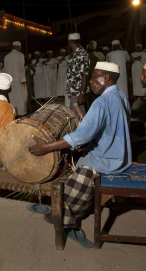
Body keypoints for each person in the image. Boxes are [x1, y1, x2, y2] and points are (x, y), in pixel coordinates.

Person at [28, 61, 132, 248]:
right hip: (120, 154)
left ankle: (68, 222)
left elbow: (82, 135)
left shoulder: (102, 101)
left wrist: (48, 147)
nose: (91, 81)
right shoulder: (121, 96)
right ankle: (59, 205)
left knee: (82, 172)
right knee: (78, 157)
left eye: (94, 76)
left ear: (106, 78)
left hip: (109, 159)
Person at [66, 33, 89, 117]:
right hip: (74, 91)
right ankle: (80, 129)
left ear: (70, 42)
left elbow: (84, 75)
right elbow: (71, 74)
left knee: (79, 114)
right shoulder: (73, 55)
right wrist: (69, 90)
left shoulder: (82, 54)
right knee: (75, 114)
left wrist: (82, 93)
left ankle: (86, 129)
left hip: (78, 91)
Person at [3, 41, 27, 116]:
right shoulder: (20, 55)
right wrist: (23, 79)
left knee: (12, 97)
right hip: (19, 80)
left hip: (10, 81)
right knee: (21, 97)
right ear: (18, 47)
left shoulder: (6, 56)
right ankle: (22, 113)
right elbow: (21, 68)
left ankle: (14, 113)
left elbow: (5, 69)